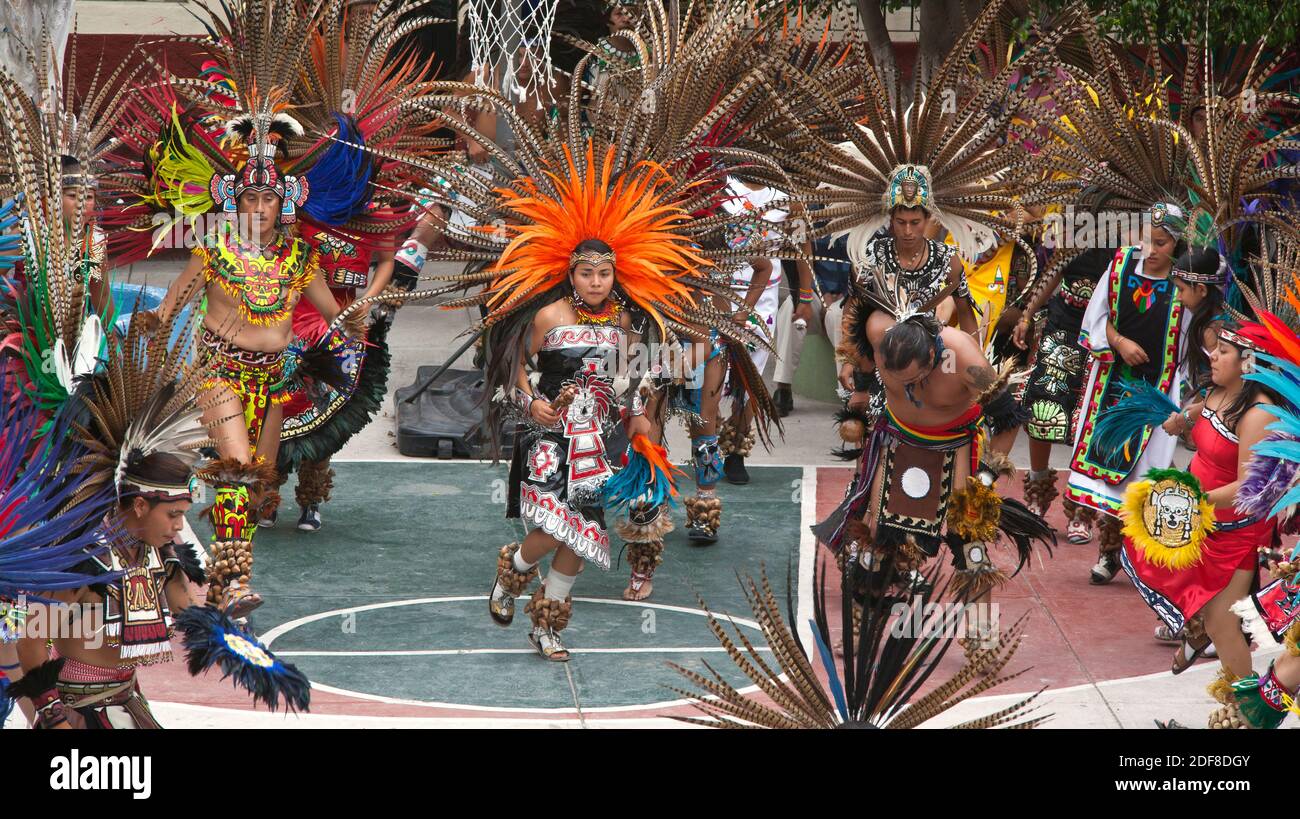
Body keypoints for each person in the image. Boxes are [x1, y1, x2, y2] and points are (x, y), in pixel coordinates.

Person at [1122, 314, 1279, 680]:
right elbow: (1207, 414)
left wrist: (1193, 500)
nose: (1212, 355)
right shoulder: (1219, 390)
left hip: (1237, 531)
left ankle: (1246, 711)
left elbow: (1247, 488)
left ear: (1248, 362)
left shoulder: (1258, 415)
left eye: (1223, 351)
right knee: (1202, 604)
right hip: (1205, 517)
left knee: (1223, 625)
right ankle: (1197, 637)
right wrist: (1186, 417)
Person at [1063, 205, 1191, 584]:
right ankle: (1104, 547)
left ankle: (1130, 558)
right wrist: (1119, 343)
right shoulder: (1119, 267)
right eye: (1146, 240)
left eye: (1161, 243)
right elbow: (1095, 320)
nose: (1150, 250)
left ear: (1177, 242)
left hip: (1158, 391)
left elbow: (1192, 339)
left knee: (1143, 477)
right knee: (1107, 472)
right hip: (1113, 383)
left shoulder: (1184, 282)